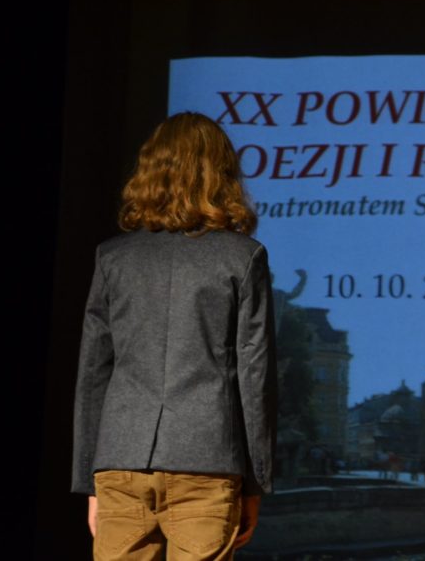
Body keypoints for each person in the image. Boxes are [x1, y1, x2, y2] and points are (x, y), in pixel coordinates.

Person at [72, 112, 277, 560]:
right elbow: (255, 377)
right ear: (222, 174)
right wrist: (256, 482)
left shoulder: (113, 258)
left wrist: (89, 481)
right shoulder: (243, 257)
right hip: (207, 462)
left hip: (121, 462)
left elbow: (92, 376)